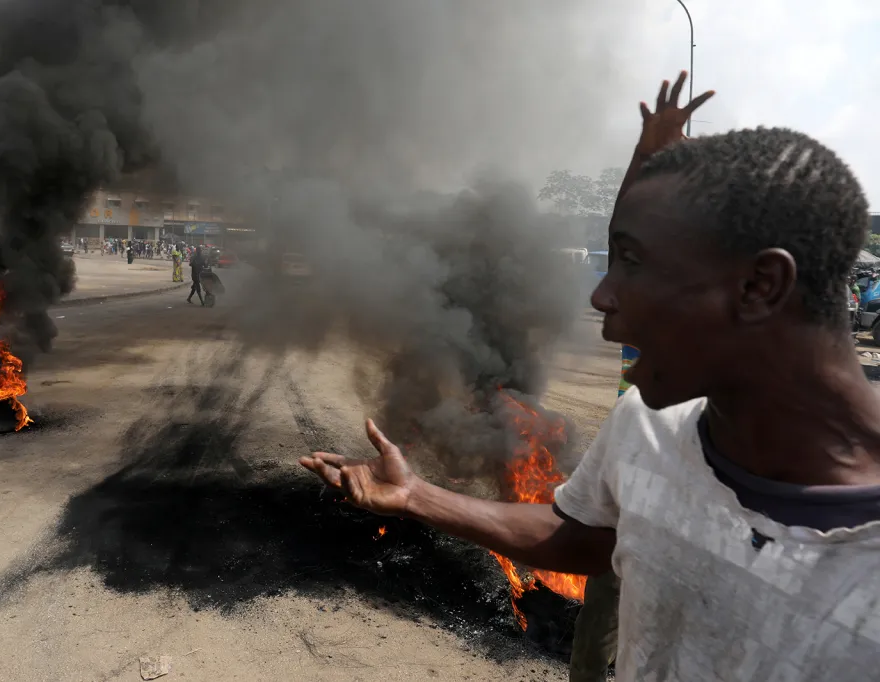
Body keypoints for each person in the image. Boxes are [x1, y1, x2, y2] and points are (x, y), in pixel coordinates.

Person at [300, 75, 880, 681]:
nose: (600, 297)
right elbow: (577, 535)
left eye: (633, 264)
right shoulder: (647, 428)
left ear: (761, 287)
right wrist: (417, 495)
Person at [568, 73, 712, 682]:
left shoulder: (735, 330)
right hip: (638, 499)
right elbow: (625, 234)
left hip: (708, 513)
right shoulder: (649, 314)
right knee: (601, 620)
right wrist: (647, 153)